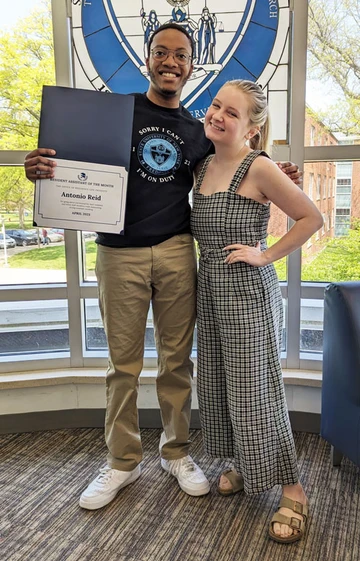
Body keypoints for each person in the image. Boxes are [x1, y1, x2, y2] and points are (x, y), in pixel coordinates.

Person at [24, 24, 302, 512]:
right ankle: (120, 461)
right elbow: (69, 160)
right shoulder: (115, 113)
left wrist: (283, 173)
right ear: (147, 59)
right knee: (122, 368)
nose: (170, 61)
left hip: (177, 252)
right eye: (161, 52)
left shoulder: (198, 131)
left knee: (178, 363)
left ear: (192, 65)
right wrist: (42, 168)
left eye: (181, 55)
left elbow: (240, 164)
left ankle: (176, 452)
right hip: (117, 252)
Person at [190, 79, 323, 544]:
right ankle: (248, 465)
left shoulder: (260, 167)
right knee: (219, 386)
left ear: (252, 126)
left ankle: (294, 489)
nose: (218, 115)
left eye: (232, 112)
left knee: (255, 393)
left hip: (248, 296)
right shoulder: (203, 165)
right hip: (210, 293)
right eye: (215, 105)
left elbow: (312, 218)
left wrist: (264, 255)